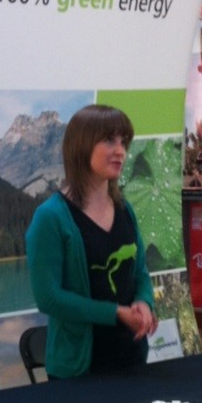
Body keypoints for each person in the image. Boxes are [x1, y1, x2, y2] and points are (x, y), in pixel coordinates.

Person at [26, 104, 158, 378]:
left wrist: (144, 303)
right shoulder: (50, 217)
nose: (120, 150)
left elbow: (140, 275)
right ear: (82, 146)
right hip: (78, 372)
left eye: (124, 141)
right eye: (109, 140)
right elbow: (49, 298)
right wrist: (115, 313)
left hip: (132, 360)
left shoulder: (125, 210)